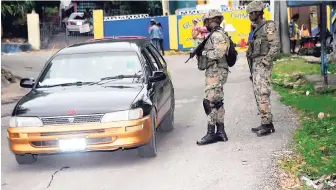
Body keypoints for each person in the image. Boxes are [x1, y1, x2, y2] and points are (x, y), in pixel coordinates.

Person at [196, 9, 230, 146]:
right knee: (217, 102)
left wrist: (204, 52)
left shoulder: (217, 35)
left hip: (216, 72)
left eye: (206, 21)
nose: (205, 24)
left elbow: (219, 53)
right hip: (214, 71)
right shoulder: (215, 35)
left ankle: (211, 133)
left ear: (210, 20)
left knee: (209, 102)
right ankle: (221, 132)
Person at [246, 0, 280, 137]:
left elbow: (275, 45)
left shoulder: (268, 26)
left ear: (257, 12)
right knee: (257, 93)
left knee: (262, 92)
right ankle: (265, 122)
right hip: (255, 64)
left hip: (263, 64)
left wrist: (266, 61)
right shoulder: (255, 28)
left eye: (251, 13)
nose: (249, 16)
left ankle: (267, 124)